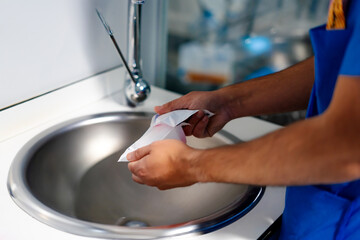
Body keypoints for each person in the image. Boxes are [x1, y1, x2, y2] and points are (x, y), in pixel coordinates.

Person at [127, 0, 360, 239]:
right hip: (316, 213)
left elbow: (345, 144)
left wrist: (188, 165)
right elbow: (339, 68)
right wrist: (228, 103)